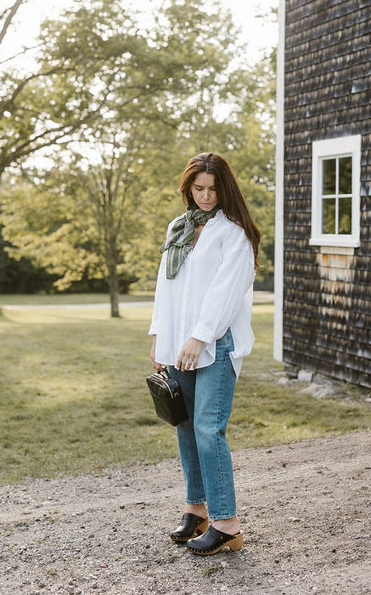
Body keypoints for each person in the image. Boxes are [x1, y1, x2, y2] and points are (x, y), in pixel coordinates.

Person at [149, 151, 260, 556]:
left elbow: (226, 293)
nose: (206, 196)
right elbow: (167, 288)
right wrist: (160, 337)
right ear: (188, 188)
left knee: (208, 429)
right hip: (179, 342)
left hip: (216, 341)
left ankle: (227, 525)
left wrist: (200, 336)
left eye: (213, 189)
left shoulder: (234, 232)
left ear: (224, 188)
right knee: (184, 424)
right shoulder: (178, 227)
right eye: (198, 188)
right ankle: (196, 509)